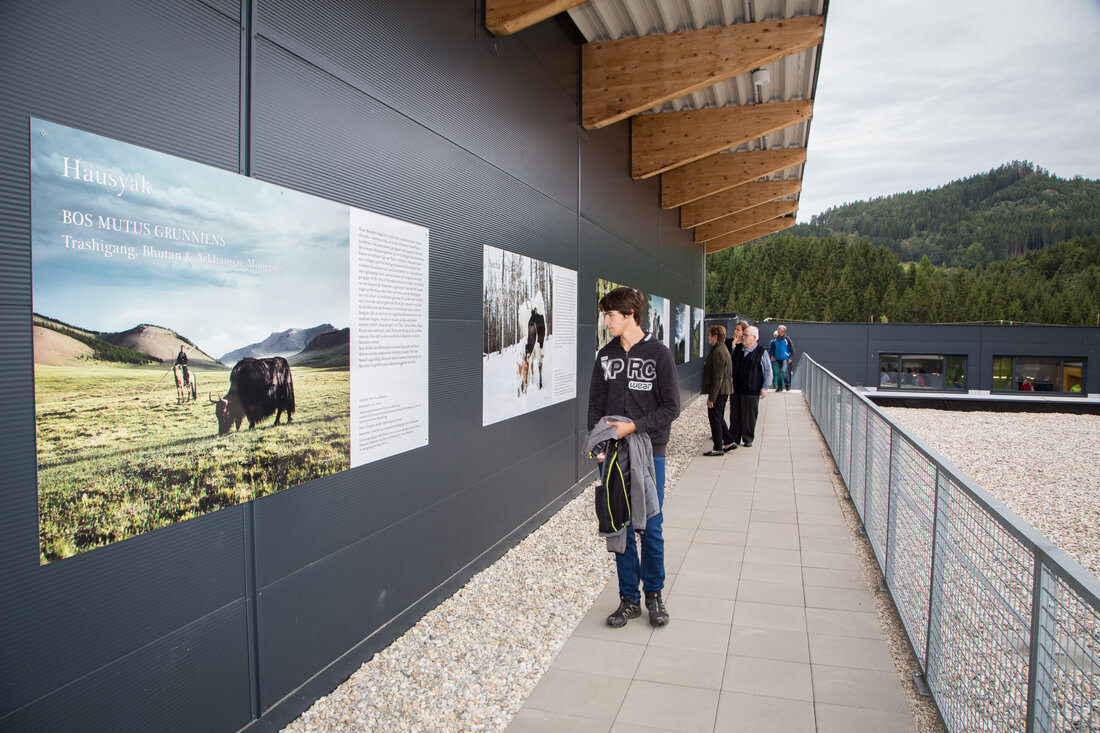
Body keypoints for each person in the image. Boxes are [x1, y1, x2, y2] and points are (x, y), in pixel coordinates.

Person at [588, 286, 680, 628]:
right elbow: (595, 406)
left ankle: (654, 594)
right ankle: (628, 599)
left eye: (611, 315)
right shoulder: (605, 356)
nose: (607, 322)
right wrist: (598, 447)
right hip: (613, 455)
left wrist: (635, 427)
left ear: (630, 315)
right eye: (605, 316)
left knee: (651, 526)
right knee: (620, 526)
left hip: (650, 453)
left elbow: (671, 407)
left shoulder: (659, 355)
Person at [729, 325, 771, 447]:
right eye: (744, 335)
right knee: (735, 415)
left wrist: (765, 388)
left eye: (746, 335)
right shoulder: (737, 349)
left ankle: (747, 438)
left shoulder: (761, 352)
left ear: (754, 338)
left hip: (751, 390)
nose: (743, 337)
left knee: (749, 416)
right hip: (736, 389)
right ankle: (734, 438)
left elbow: (767, 371)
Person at [701, 325, 735, 456]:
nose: (708, 338)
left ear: (715, 337)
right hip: (723, 389)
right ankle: (729, 441)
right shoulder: (722, 349)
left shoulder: (718, 352)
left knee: (714, 417)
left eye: (709, 335)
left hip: (720, 390)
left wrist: (712, 398)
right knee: (718, 416)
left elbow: (717, 377)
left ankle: (718, 447)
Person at [724, 320, 745, 430]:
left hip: (739, 379)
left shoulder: (745, 345)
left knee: (739, 408)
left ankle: (737, 430)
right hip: (727, 377)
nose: (735, 331)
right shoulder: (728, 342)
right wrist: (732, 345)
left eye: (738, 330)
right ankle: (724, 430)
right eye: (735, 329)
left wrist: (734, 347)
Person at [769, 324, 794, 391]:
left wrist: (790, 357)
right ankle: (779, 387)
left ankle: (787, 385)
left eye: (779, 329)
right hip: (777, 358)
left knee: (784, 371)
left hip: (784, 358)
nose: (778, 330)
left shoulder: (787, 339)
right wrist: (772, 356)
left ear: (782, 331)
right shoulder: (775, 340)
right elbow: (772, 349)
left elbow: (791, 349)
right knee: (778, 373)